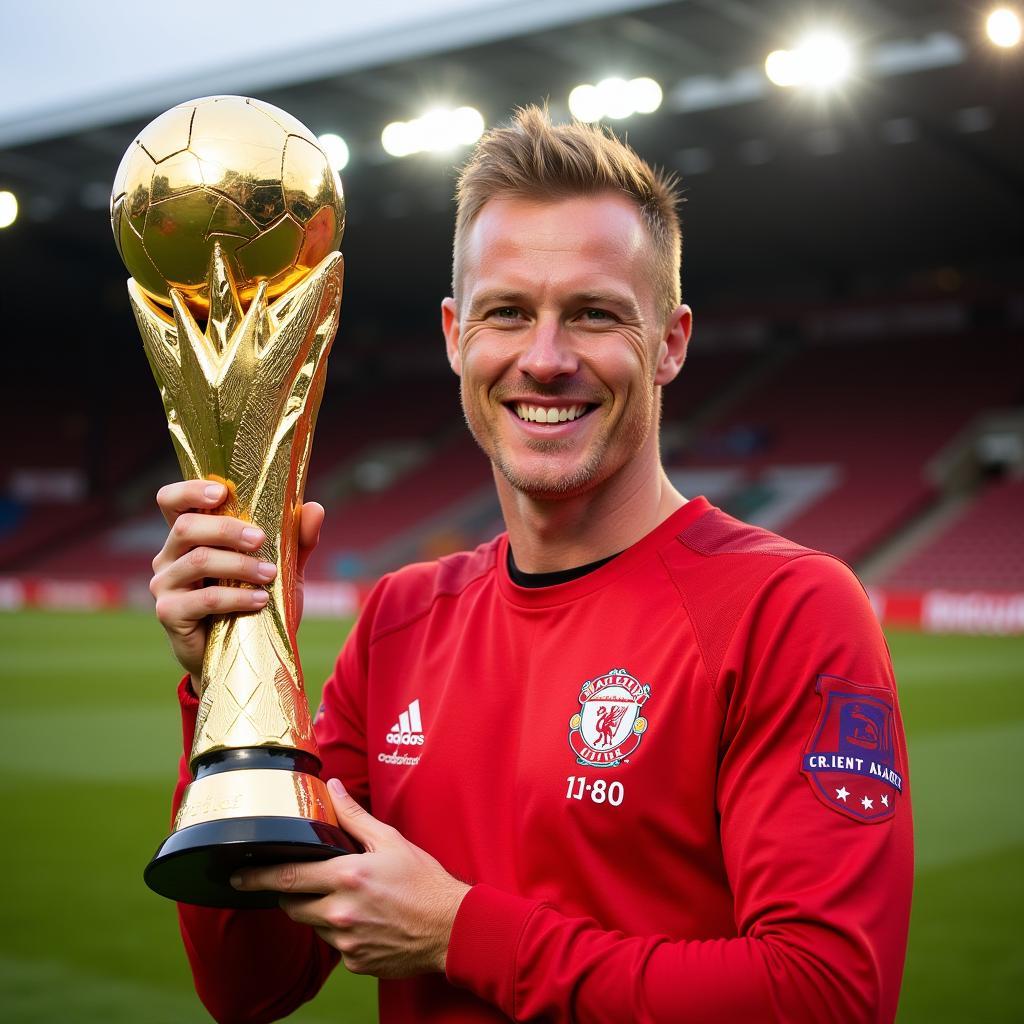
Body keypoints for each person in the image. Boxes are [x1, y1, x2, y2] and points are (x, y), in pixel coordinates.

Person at [150, 106, 913, 1023]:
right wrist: (227, 680)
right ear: (453, 336)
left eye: (593, 314)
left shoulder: (789, 607)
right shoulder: (400, 620)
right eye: (507, 312)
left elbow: (828, 998)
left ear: (669, 342)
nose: (544, 360)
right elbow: (253, 986)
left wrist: (459, 934)